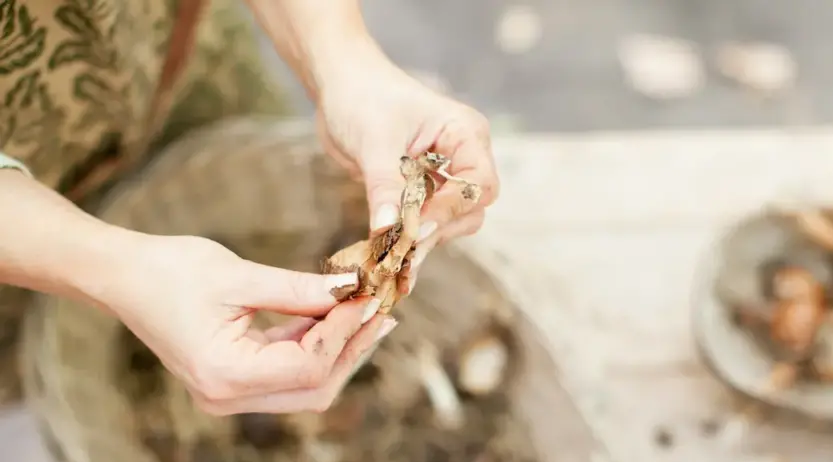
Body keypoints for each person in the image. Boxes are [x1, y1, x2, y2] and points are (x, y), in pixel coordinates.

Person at [0, 0, 499, 415]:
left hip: (169, 61)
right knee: (58, 354)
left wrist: (344, 61)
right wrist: (112, 270)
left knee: (251, 224)